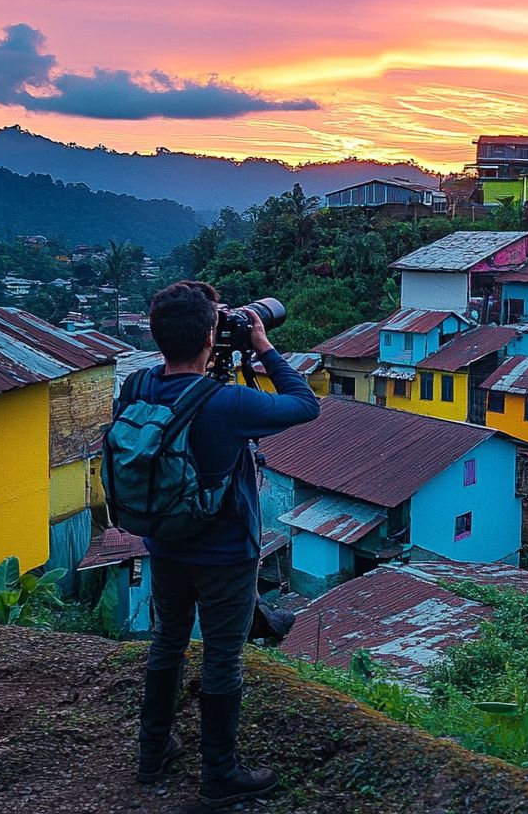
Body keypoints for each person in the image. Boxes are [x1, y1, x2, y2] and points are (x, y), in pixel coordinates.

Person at [132, 281, 320, 807]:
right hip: (224, 554)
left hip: (165, 543)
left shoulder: (137, 386)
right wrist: (262, 346)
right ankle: (219, 775)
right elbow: (305, 405)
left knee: (168, 640)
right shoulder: (228, 402)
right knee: (222, 656)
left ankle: (152, 752)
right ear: (212, 335)